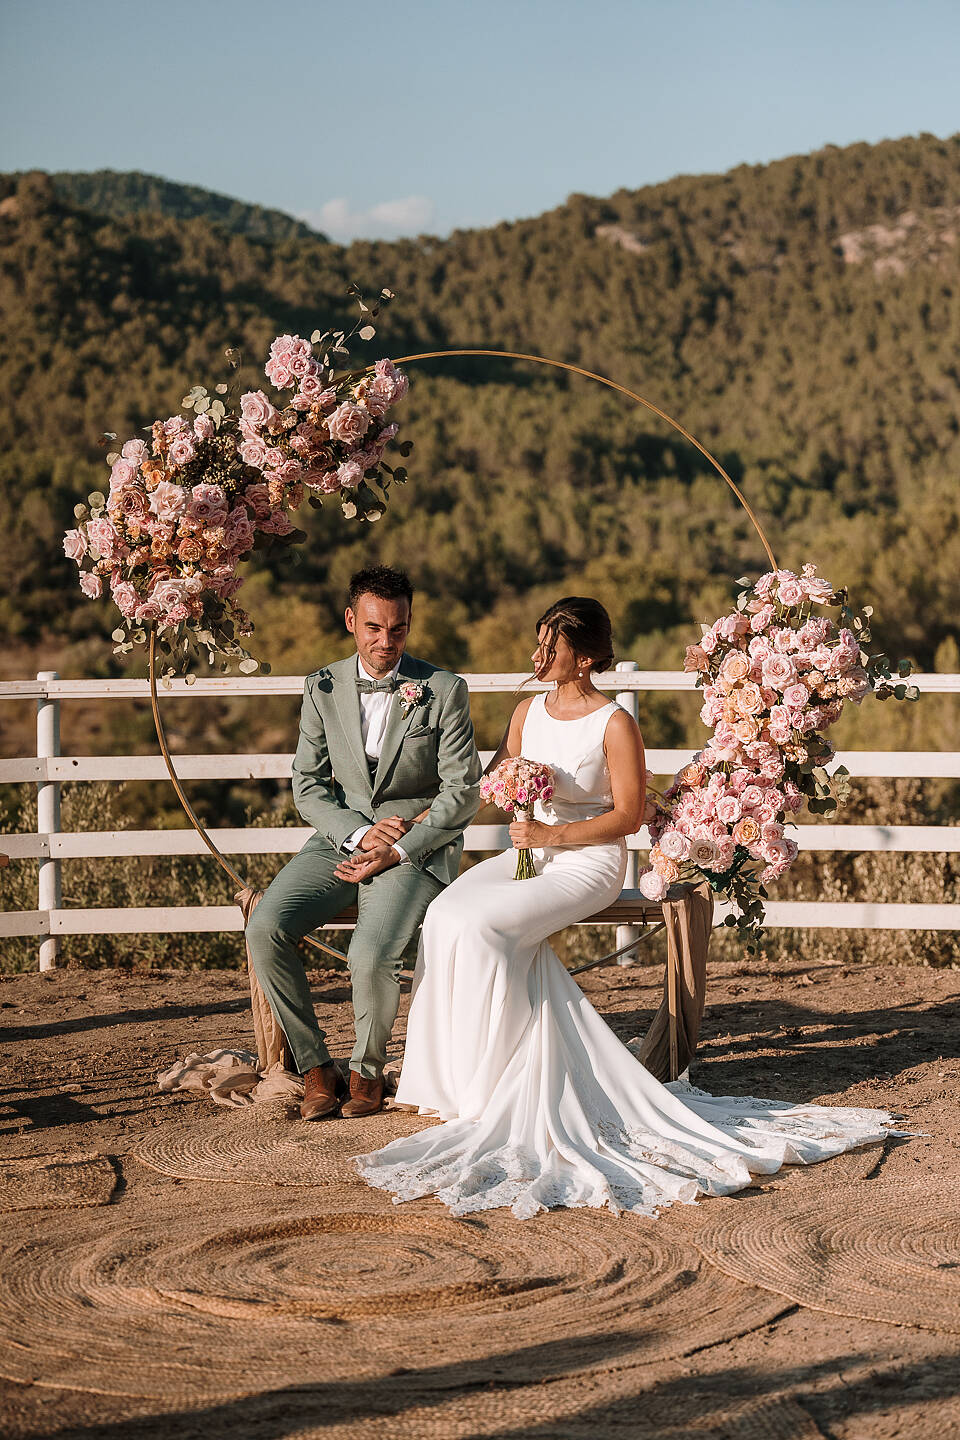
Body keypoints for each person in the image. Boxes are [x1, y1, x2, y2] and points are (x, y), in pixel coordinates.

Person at [355, 596, 896, 1218]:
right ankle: (441, 1082)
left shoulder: (615, 723)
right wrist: (421, 822)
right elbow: (489, 783)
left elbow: (629, 816)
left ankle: (492, 1088)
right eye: (538, 640)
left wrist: (553, 836)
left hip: (590, 862)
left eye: (550, 647)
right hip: (531, 849)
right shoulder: (527, 710)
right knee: (447, 913)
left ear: (583, 658)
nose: (537, 655)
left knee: (484, 929)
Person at [246, 565, 482, 1121]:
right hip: (339, 838)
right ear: (351, 620)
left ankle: (366, 1074)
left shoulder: (444, 690)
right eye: (374, 628)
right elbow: (308, 786)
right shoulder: (322, 686)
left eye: (397, 629)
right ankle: (314, 1066)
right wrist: (355, 832)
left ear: (408, 623)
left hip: (412, 846)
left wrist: (398, 846)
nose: (385, 642)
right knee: (266, 927)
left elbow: (463, 793)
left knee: (370, 955)